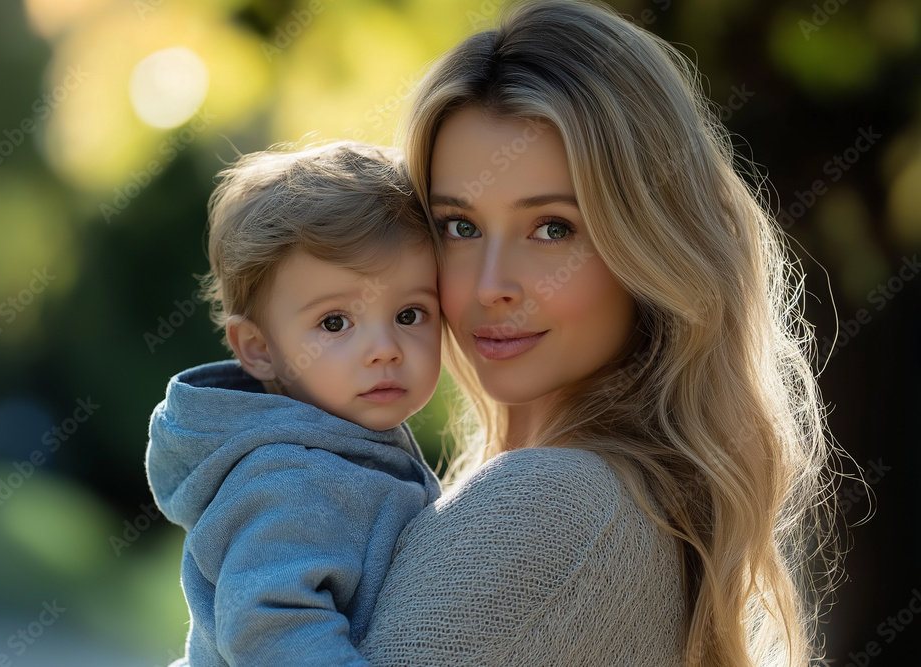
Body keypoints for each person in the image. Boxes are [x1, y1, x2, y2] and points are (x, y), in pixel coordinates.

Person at [349, 1, 853, 665]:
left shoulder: (546, 506)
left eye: (554, 228)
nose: (490, 283)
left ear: (648, 244)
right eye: (459, 226)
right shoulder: (643, 508)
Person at [145, 141, 443, 666]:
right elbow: (269, 626)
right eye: (335, 323)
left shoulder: (347, 448)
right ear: (261, 351)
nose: (385, 349)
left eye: (411, 314)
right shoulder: (289, 477)